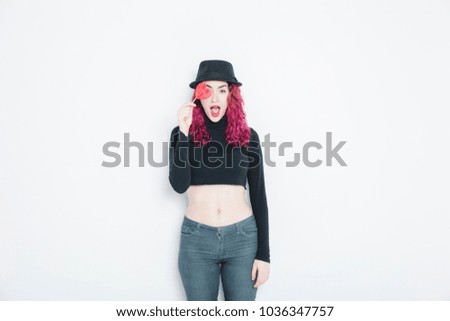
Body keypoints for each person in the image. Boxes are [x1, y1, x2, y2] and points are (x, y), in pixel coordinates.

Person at [168, 60, 270, 301]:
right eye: (208, 90)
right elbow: (179, 185)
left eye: (222, 90)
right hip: (197, 241)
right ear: (198, 96)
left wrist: (264, 255)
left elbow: (259, 196)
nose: (215, 98)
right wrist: (183, 132)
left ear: (231, 96)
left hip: (243, 240)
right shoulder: (182, 133)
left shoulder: (248, 136)